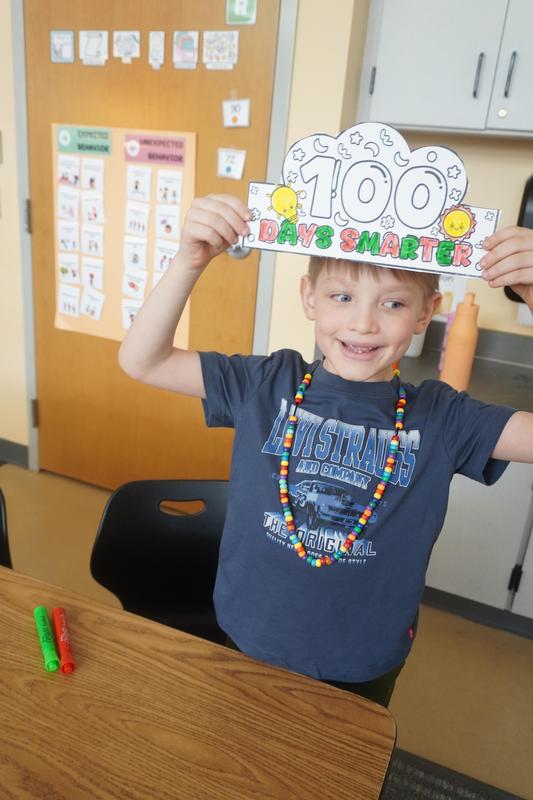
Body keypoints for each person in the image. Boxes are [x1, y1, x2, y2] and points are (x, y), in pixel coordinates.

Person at [119, 195, 533, 707]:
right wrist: (189, 260)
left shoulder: (444, 418)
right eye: (341, 297)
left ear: (427, 312)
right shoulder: (266, 383)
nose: (363, 324)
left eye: (394, 303)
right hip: (248, 634)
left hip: (362, 660)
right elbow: (143, 360)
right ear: (309, 297)